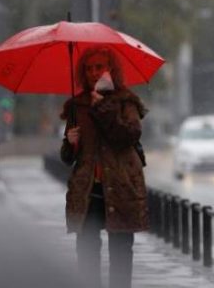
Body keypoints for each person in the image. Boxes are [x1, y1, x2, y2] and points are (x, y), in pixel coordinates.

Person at [60, 46, 149, 288]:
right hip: (88, 190)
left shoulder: (125, 102)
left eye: (99, 67)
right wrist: (70, 142)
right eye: (88, 68)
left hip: (121, 188)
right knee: (87, 250)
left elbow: (128, 136)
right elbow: (68, 157)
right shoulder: (77, 107)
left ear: (110, 69)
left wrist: (102, 108)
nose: (93, 73)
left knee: (121, 251)